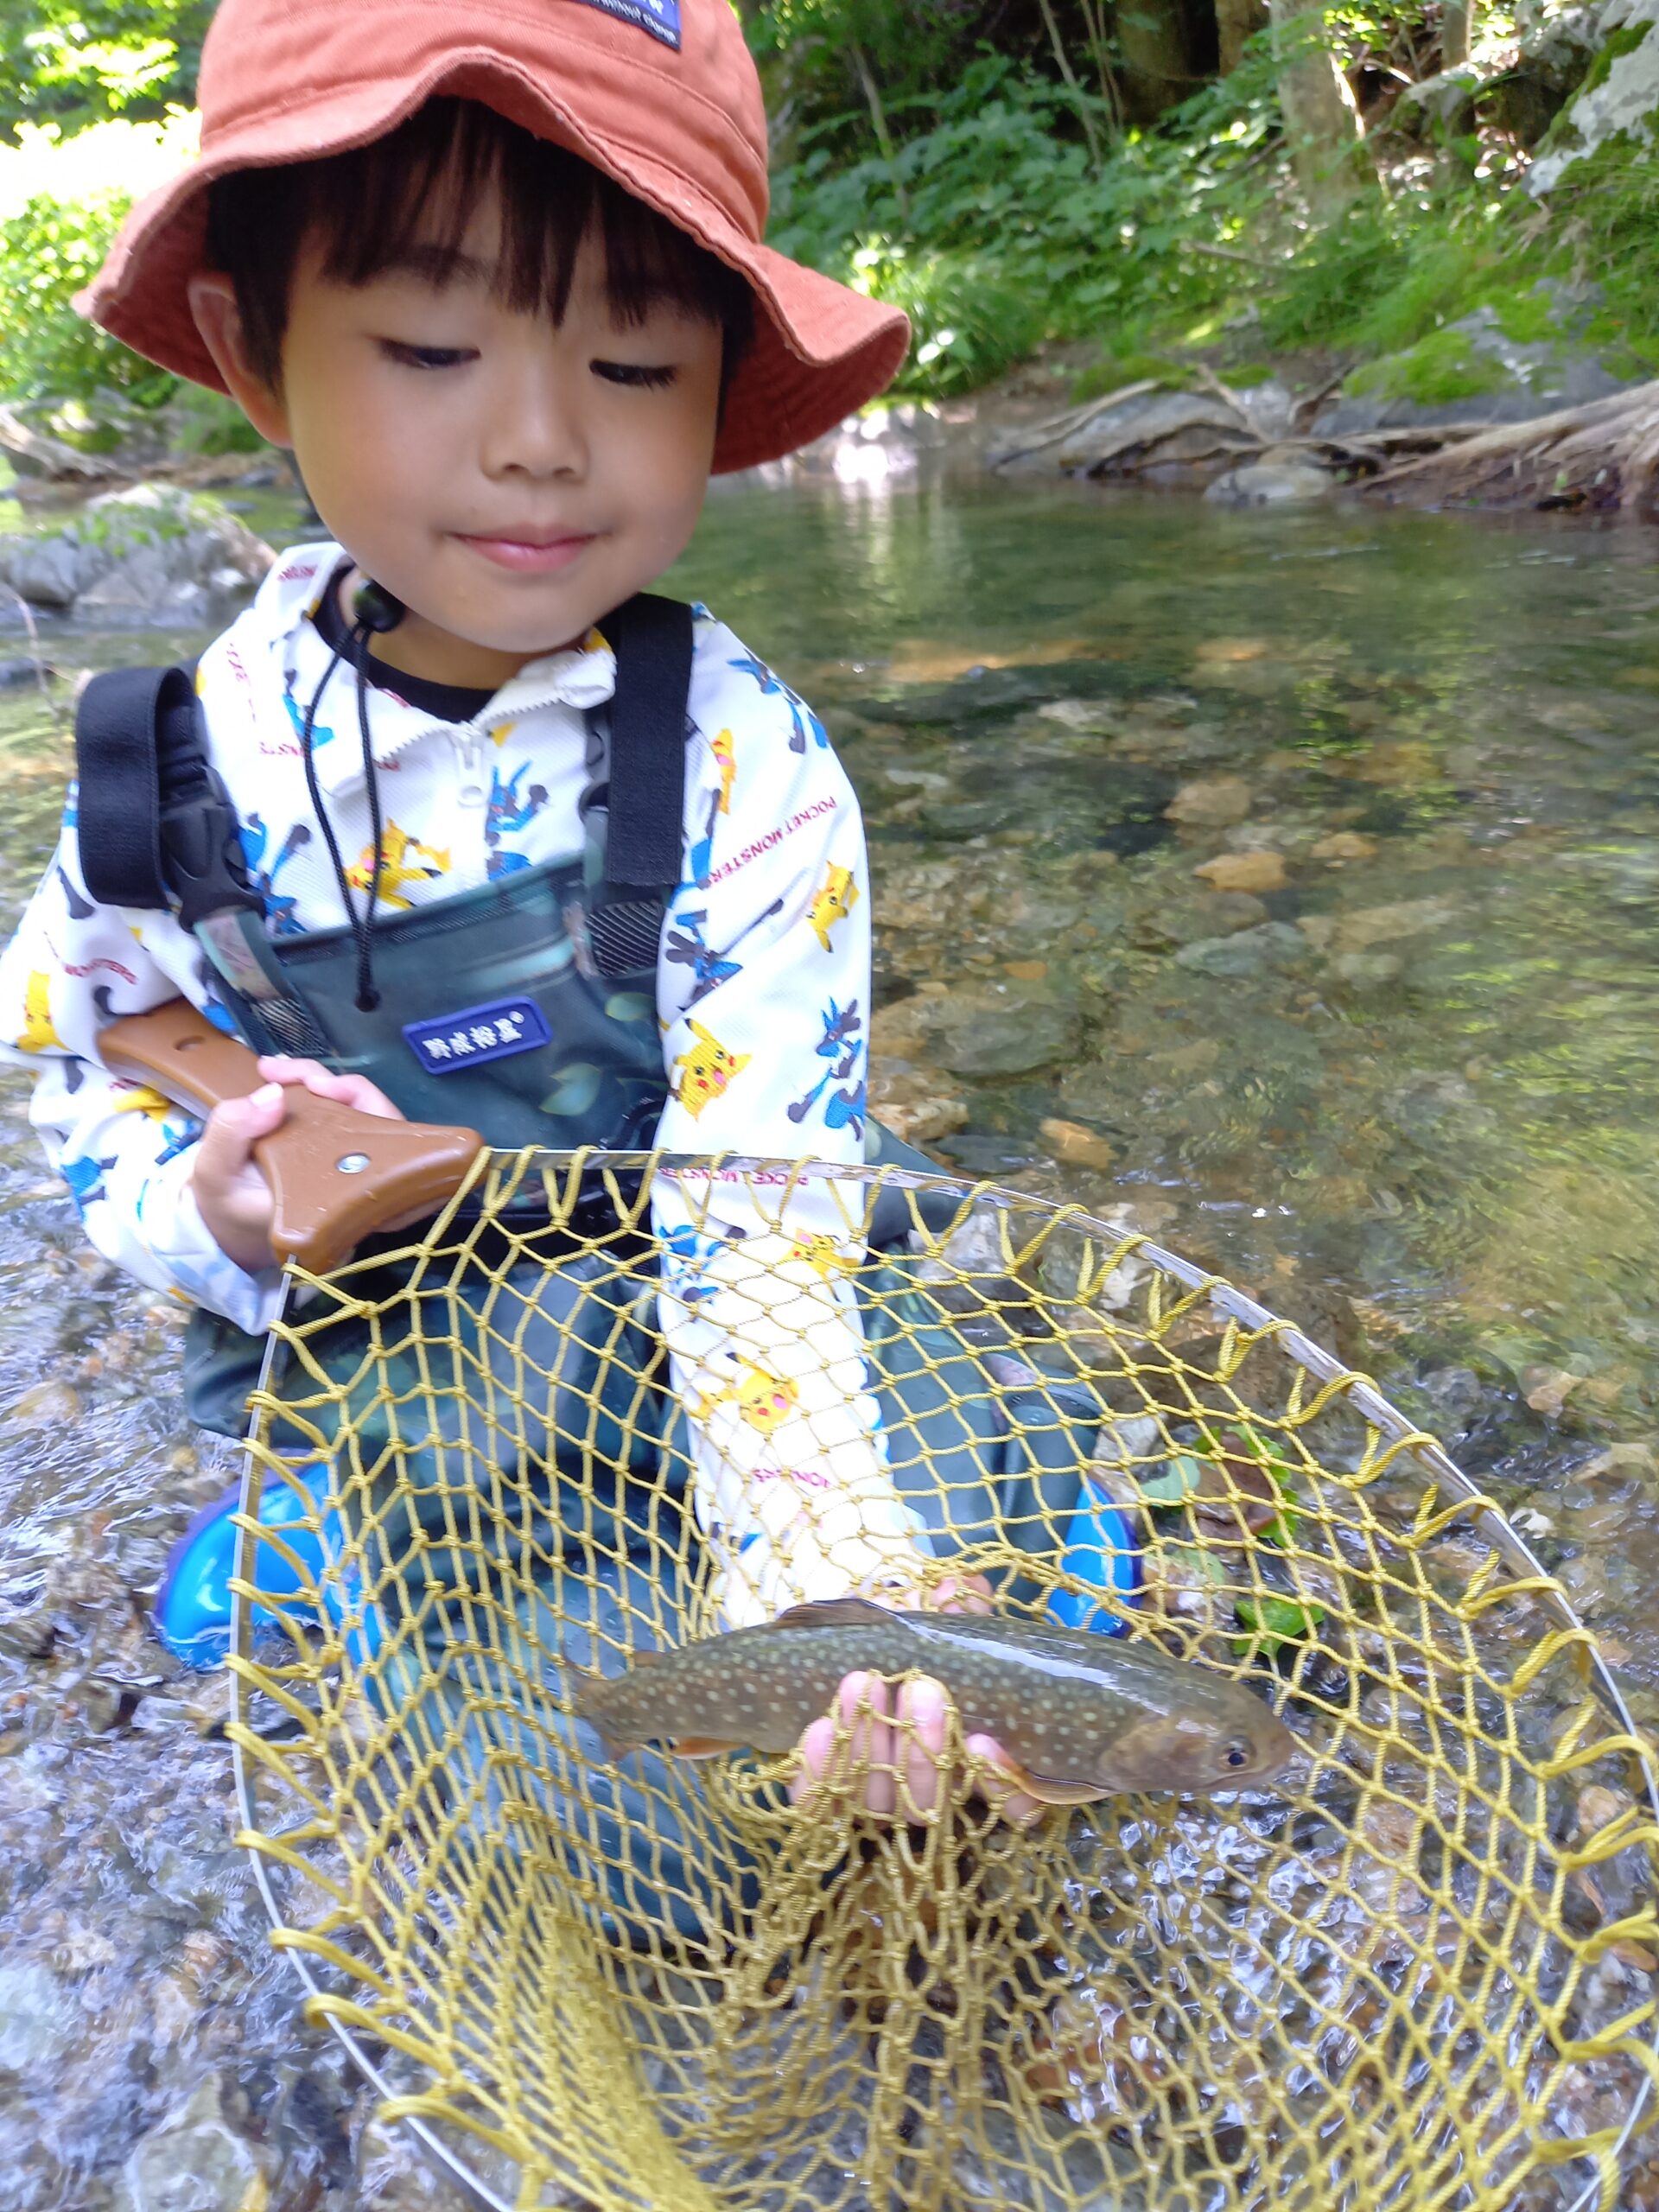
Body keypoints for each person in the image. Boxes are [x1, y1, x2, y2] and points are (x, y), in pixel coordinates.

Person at [0, 0, 1114, 1873]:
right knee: (636, 1838)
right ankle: (336, 1527)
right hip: (410, 1344)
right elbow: (79, 1060)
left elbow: (759, 1201)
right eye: (431, 344)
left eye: (629, 360)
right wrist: (215, 1214)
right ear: (246, 352)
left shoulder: (744, 758)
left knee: (980, 1613)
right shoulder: (172, 782)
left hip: (729, 1268)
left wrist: (820, 1565)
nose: (538, 441)